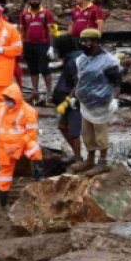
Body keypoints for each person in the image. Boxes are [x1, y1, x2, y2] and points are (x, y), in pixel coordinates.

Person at [0, 84, 43, 209]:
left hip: (22, 143)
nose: (7, 102)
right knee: (4, 174)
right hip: (4, 146)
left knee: (34, 148)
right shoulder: (0, 108)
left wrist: (19, 145)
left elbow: (32, 133)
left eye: (10, 99)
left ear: (16, 99)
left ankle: (39, 181)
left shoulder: (29, 111)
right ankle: (3, 203)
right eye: (6, 99)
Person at [72, 28, 121, 171]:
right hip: (85, 103)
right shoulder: (81, 59)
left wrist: (115, 99)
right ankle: (90, 160)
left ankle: (103, 162)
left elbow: (117, 81)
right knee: (87, 133)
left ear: (96, 42)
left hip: (101, 102)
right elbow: (80, 80)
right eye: (82, 41)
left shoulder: (108, 61)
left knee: (100, 133)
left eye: (87, 41)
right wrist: (74, 96)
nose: (83, 44)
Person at [51, 33, 83, 165]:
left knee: (74, 131)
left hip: (74, 102)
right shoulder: (69, 60)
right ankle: (77, 155)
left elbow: (79, 83)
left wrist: (69, 100)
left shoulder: (74, 62)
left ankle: (78, 159)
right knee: (62, 126)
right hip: (66, 101)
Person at [19, 0, 54, 105]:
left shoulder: (46, 12)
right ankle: (35, 92)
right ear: (29, 0)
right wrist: (21, 44)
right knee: (33, 69)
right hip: (28, 44)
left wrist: (51, 47)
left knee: (45, 69)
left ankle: (49, 93)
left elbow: (51, 30)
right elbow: (22, 30)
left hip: (43, 44)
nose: (34, 1)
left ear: (40, 0)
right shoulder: (24, 13)